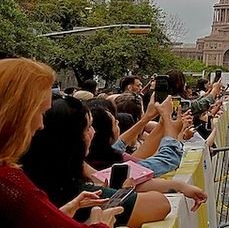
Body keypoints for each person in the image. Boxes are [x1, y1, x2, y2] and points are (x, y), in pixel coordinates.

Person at [0, 58, 128, 228]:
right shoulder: (9, 181)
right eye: (41, 112)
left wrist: (57, 216)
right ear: (17, 115)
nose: (41, 124)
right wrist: (102, 223)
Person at [21, 94, 175, 227]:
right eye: (88, 127)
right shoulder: (73, 190)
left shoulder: (26, 180)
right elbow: (159, 204)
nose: (92, 132)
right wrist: (166, 121)